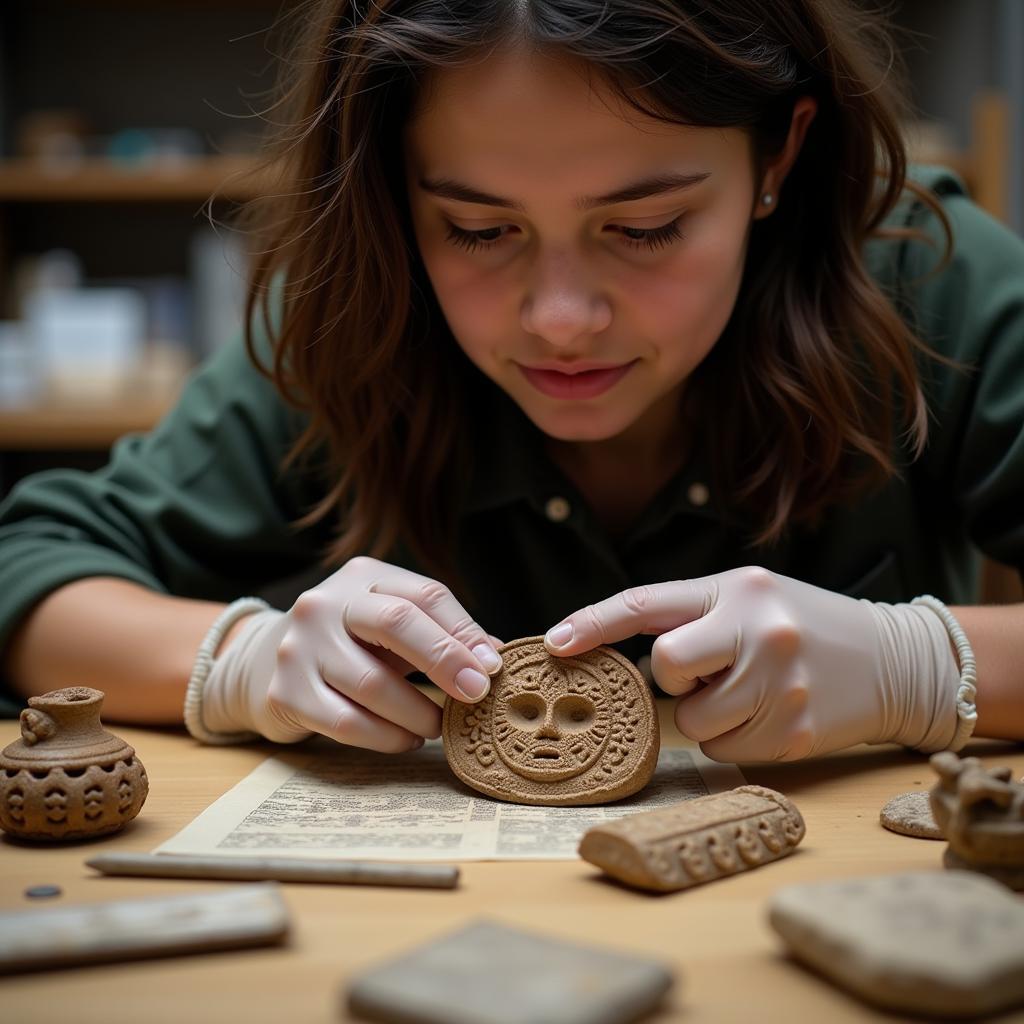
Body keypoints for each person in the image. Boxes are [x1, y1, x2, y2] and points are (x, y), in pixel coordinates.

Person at [1, 0, 1022, 763]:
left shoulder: (931, 280)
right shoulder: (353, 324)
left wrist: (921, 666)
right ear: (395, 187)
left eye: (645, 226)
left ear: (777, 156)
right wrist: (239, 660)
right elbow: (30, 570)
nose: (559, 318)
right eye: (479, 230)